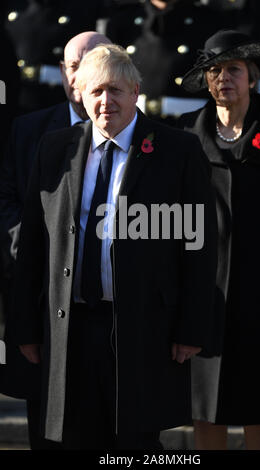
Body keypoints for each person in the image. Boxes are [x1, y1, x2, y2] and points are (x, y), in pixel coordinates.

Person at [12, 43, 218, 449]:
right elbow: (34, 244)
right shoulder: (56, 148)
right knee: (72, 438)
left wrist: (192, 327)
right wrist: (24, 326)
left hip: (144, 328)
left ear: (136, 91)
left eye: (116, 91)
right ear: (80, 95)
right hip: (70, 328)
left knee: (135, 444)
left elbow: (199, 246)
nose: (106, 102)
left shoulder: (177, 150)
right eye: (96, 92)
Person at [178, 29, 260, 450]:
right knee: (205, 413)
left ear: (251, 78)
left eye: (233, 69)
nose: (223, 78)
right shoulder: (184, 137)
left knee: (259, 413)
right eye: (213, 71)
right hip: (202, 302)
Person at [0, 31, 111, 450]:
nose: (79, 72)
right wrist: (26, 249)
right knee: (46, 427)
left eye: (92, 61)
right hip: (42, 303)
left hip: (110, 313)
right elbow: (7, 198)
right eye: (71, 64)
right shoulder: (28, 129)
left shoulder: (143, 135)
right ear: (64, 73)